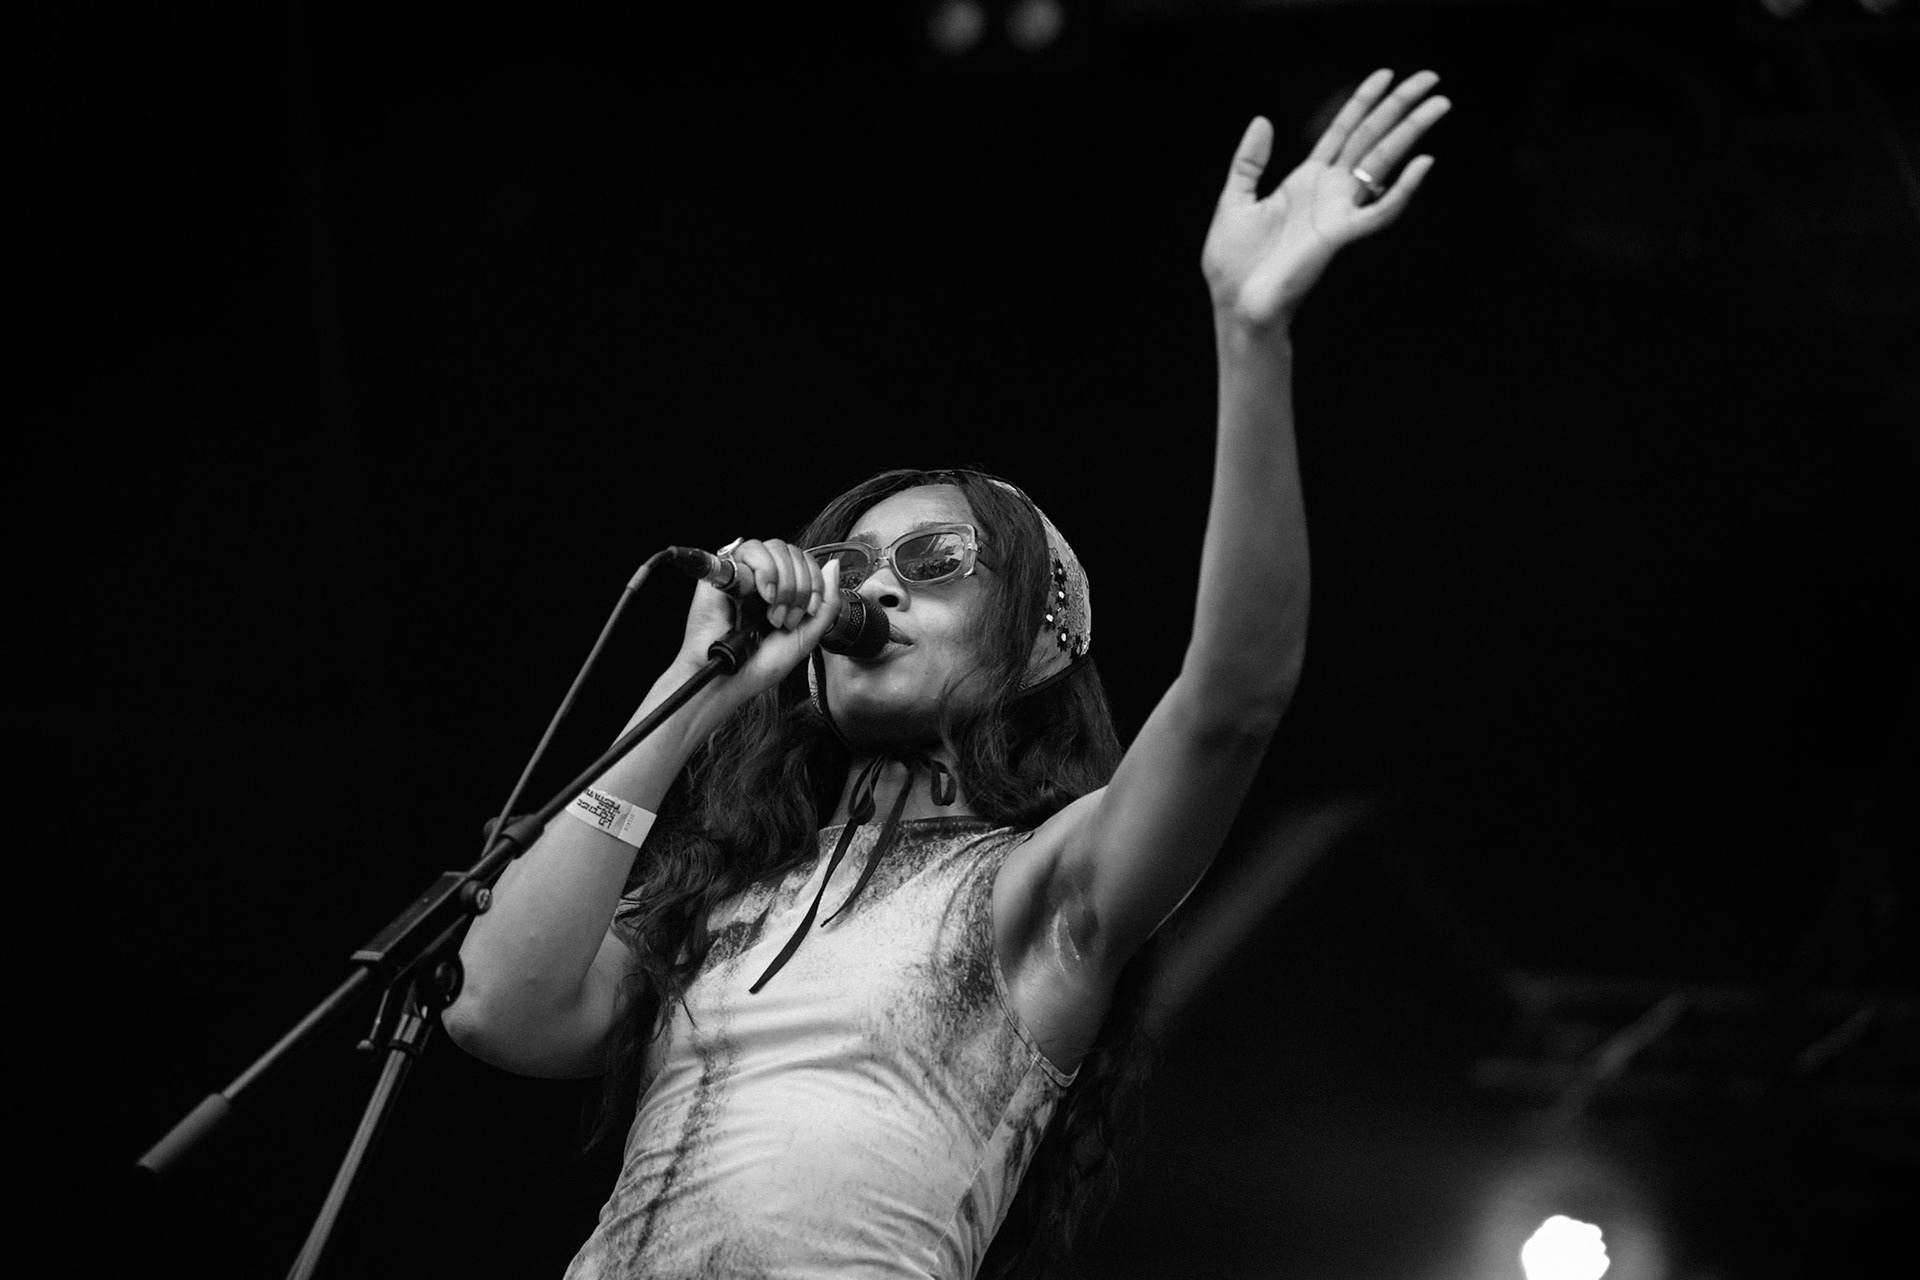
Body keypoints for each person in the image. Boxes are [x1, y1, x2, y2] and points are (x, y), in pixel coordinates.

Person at [445, 68, 1450, 1279]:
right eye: (848, 561)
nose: (873, 588)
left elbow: (1235, 700)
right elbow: (499, 1005)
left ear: (1039, 641)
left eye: (933, 561)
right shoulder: (729, 894)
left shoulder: (1042, 888)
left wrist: (1251, 339)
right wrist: (694, 680)